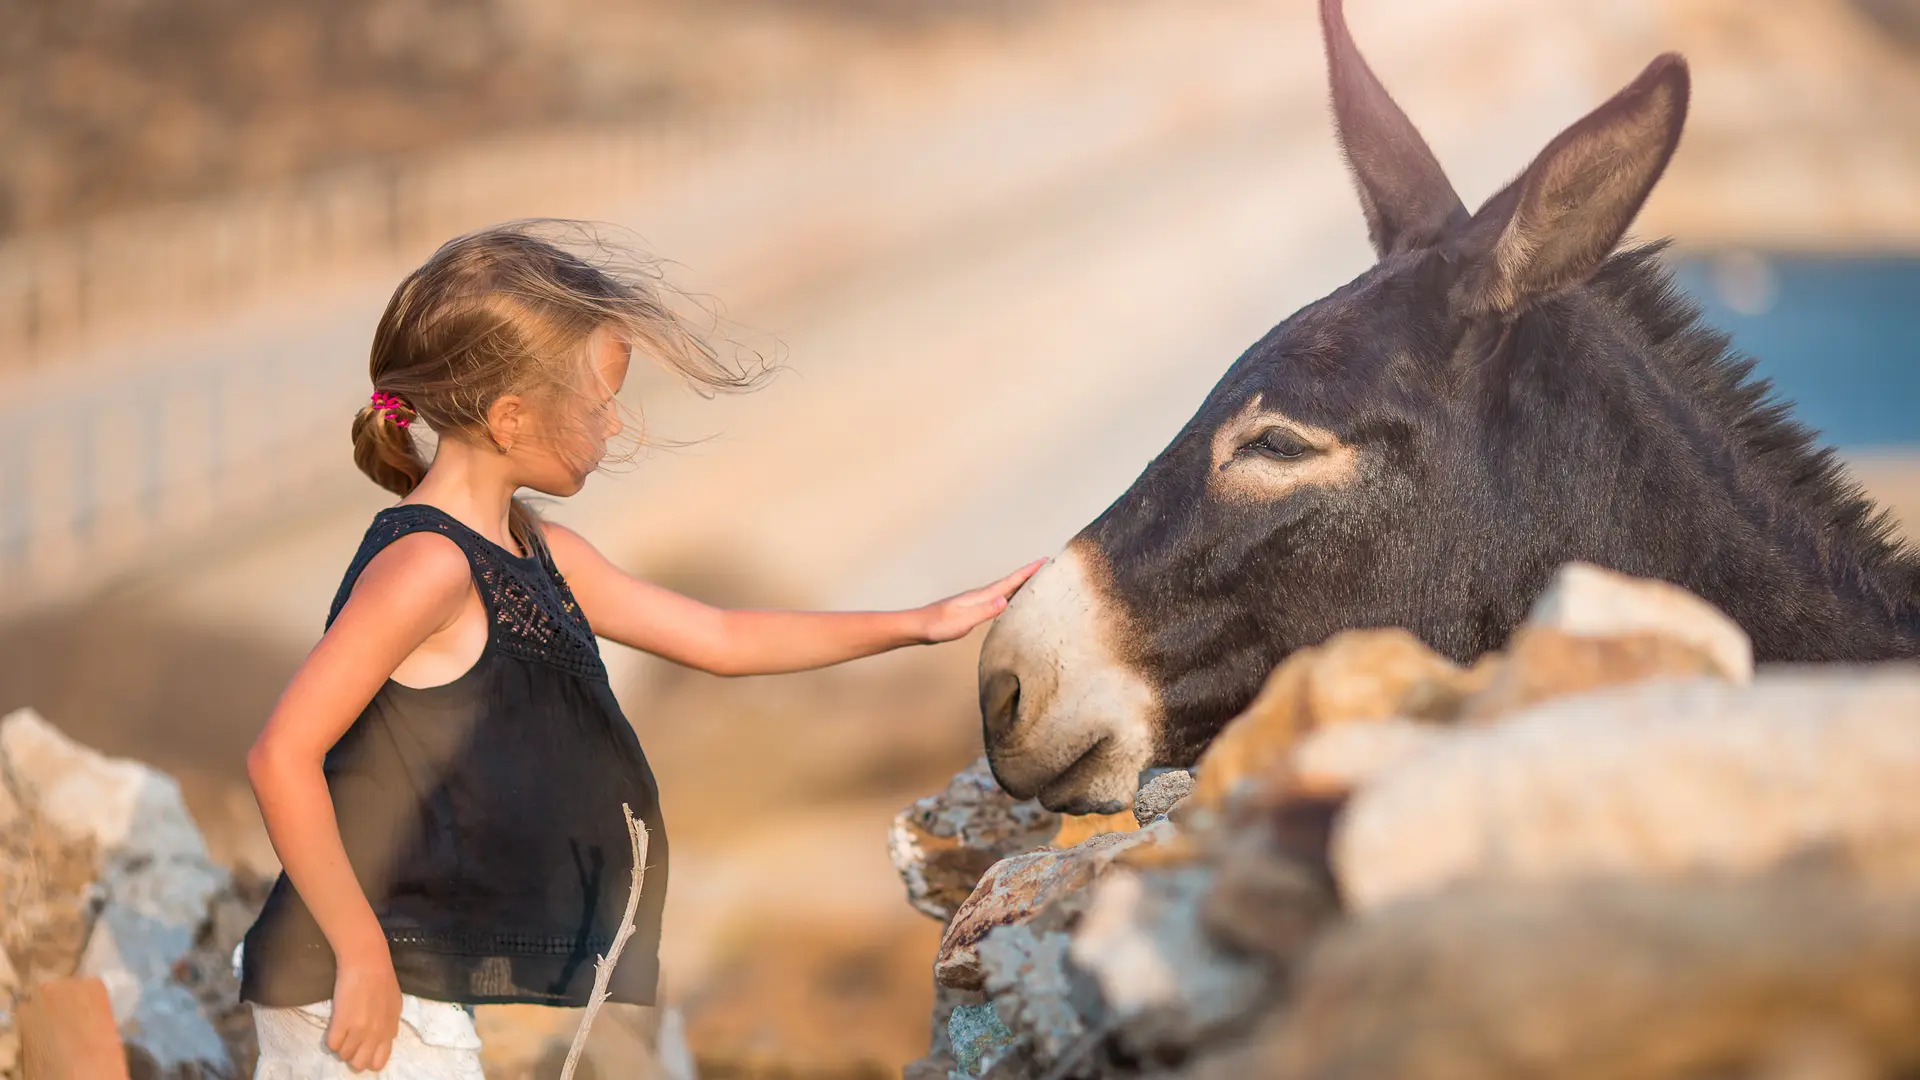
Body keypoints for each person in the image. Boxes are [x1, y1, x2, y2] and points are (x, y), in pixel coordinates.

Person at [238, 220, 1041, 1076]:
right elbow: (281, 755)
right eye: (598, 403)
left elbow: (721, 637)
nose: (614, 426)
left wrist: (918, 622)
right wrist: (360, 956)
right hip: (348, 977)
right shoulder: (427, 567)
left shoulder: (541, 553)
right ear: (511, 418)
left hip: (416, 975)